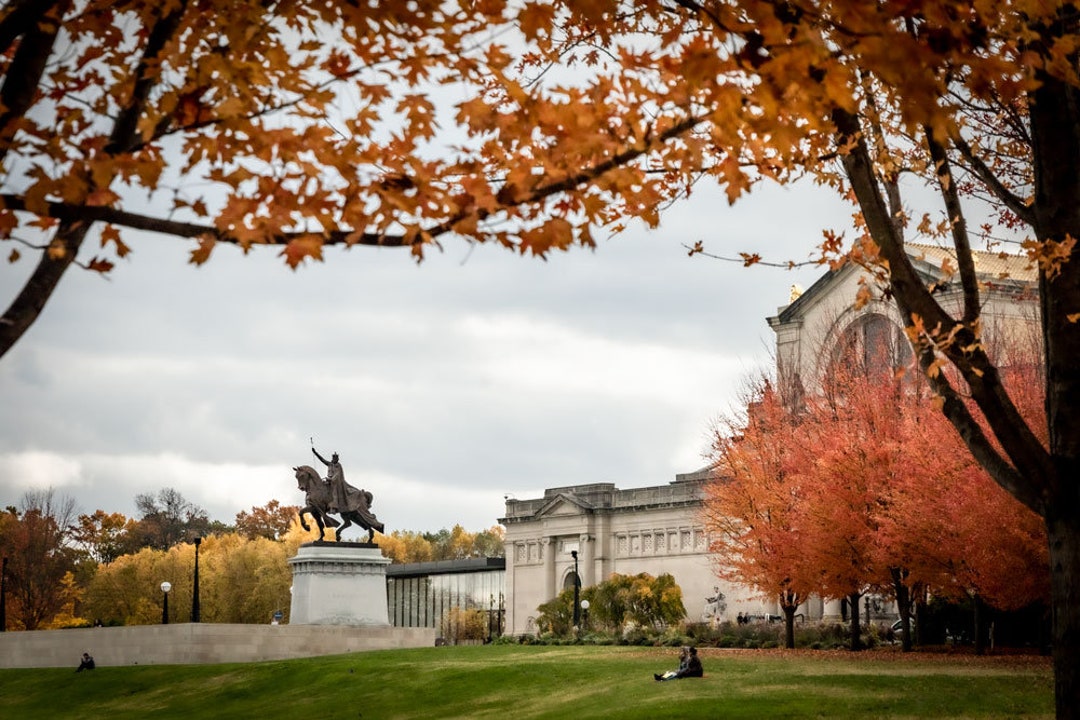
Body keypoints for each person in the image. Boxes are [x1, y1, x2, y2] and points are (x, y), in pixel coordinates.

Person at [312, 447, 347, 512]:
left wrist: (331, 479)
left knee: (334, 491)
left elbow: (337, 474)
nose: (335, 460)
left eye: (336, 459)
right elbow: (322, 459)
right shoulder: (329, 464)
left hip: (336, 482)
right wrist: (315, 453)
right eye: (334, 458)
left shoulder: (338, 466)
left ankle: (334, 507)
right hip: (328, 479)